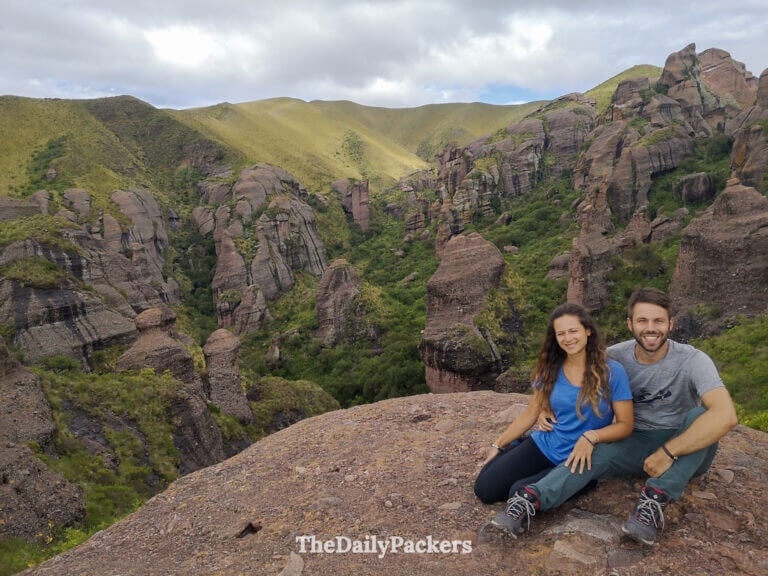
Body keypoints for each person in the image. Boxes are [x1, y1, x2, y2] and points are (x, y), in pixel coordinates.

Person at [494, 287, 738, 546]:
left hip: (687, 448)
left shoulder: (692, 360)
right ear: (630, 324)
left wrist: (668, 451)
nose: (650, 328)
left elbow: (726, 415)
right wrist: (545, 404)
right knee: (593, 453)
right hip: (636, 440)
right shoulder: (616, 356)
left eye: (658, 321)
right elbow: (573, 371)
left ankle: (653, 503)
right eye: (642, 321)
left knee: (703, 414)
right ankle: (529, 500)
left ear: (671, 323)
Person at [474, 303, 634, 529]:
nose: (568, 338)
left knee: (517, 493)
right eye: (561, 333)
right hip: (546, 444)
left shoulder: (612, 371)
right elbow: (531, 412)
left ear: (587, 331)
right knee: (485, 490)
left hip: (581, 457)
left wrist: (591, 436)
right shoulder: (550, 367)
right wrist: (498, 444)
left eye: (573, 331)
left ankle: (584, 482)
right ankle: (517, 448)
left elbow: (626, 425)